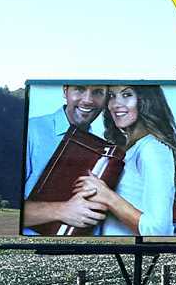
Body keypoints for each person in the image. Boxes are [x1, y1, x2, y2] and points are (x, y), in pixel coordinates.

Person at [73, 85, 176, 236]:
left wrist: (107, 197)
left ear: (145, 101)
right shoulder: (128, 149)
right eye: (111, 96)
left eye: (127, 95)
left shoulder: (152, 149)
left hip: (135, 255)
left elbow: (158, 231)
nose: (116, 104)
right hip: (117, 254)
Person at [22, 84, 111, 234]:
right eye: (80, 89)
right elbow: (8, 208)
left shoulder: (103, 148)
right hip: (31, 250)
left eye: (98, 92)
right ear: (65, 91)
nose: (88, 100)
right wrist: (62, 210)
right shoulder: (30, 130)